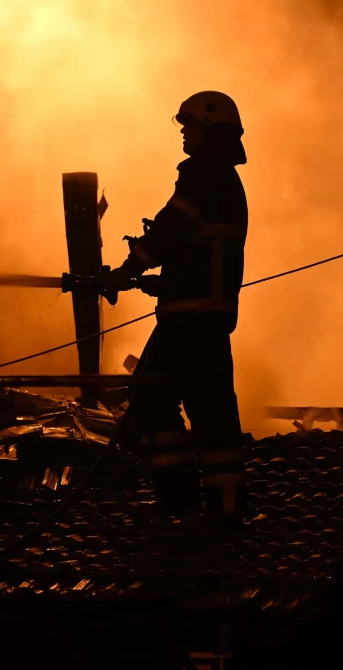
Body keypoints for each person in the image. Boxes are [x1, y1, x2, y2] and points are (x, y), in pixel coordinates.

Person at [107, 90, 248, 520]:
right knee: (205, 405)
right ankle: (212, 502)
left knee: (155, 400)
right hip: (197, 310)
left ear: (209, 128)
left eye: (189, 126)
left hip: (192, 316)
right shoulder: (220, 177)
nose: (184, 133)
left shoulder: (206, 174)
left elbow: (173, 229)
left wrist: (128, 270)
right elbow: (196, 247)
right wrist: (160, 284)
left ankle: (184, 501)